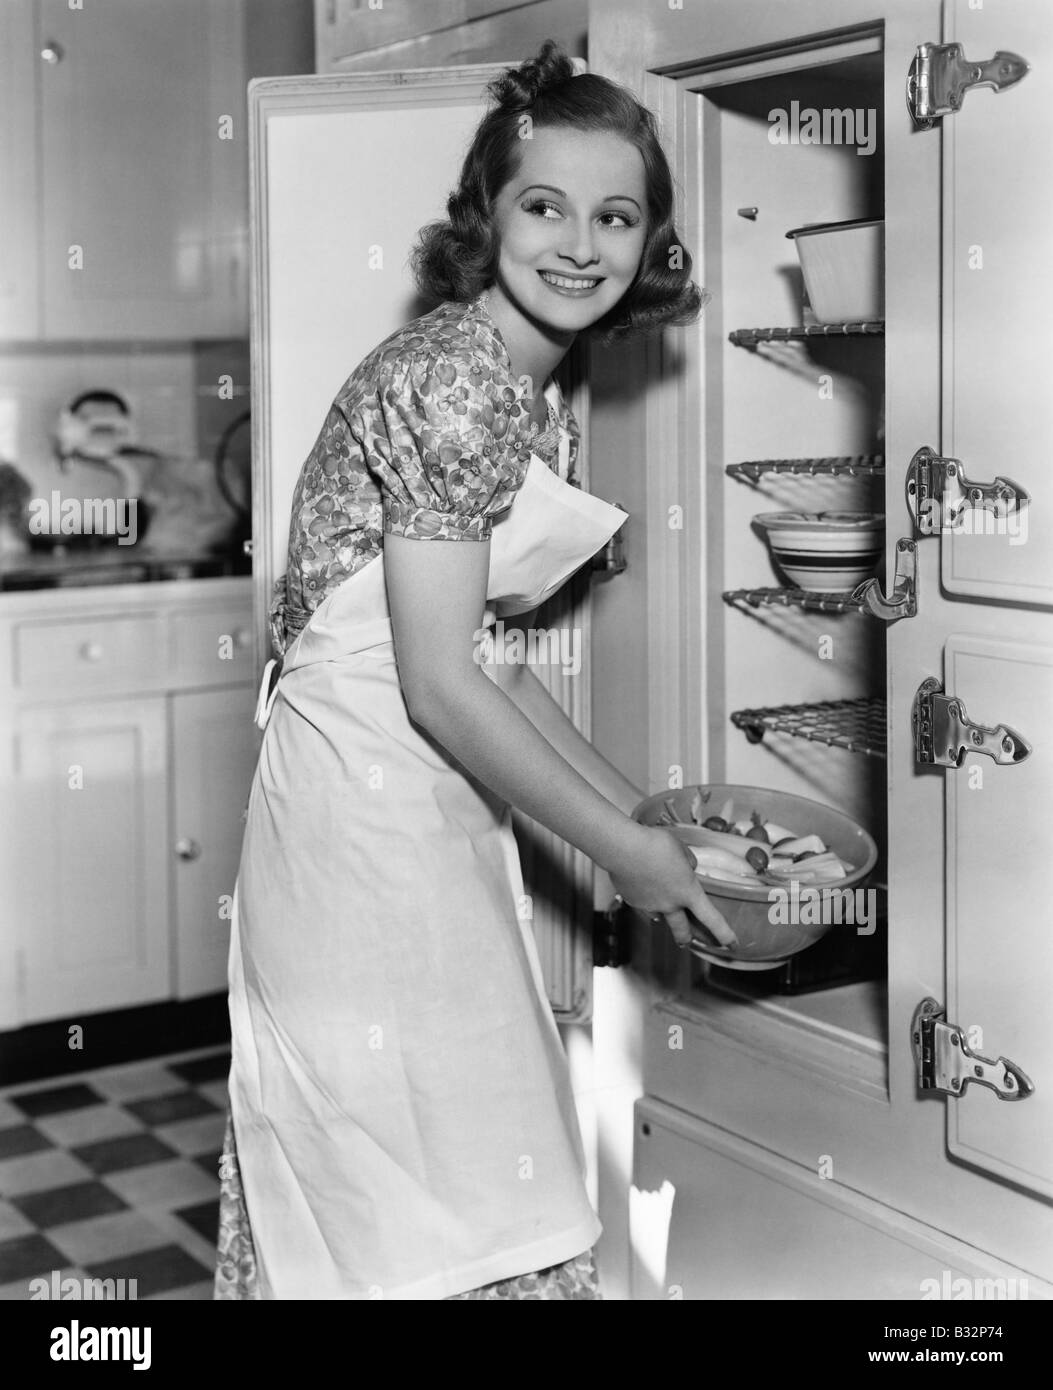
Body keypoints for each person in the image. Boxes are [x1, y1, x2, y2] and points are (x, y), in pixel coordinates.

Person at [214, 38, 735, 1303]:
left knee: (457, 1155)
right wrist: (620, 853)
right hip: (359, 810)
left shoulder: (532, 384)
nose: (578, 243)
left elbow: (486, 667)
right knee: (403, 1174)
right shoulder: (456, 380)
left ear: (651, 241)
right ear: (485, 216)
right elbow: (442, 682)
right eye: (542, 204)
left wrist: (646, 816)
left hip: (421, 788)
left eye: (615, 215)